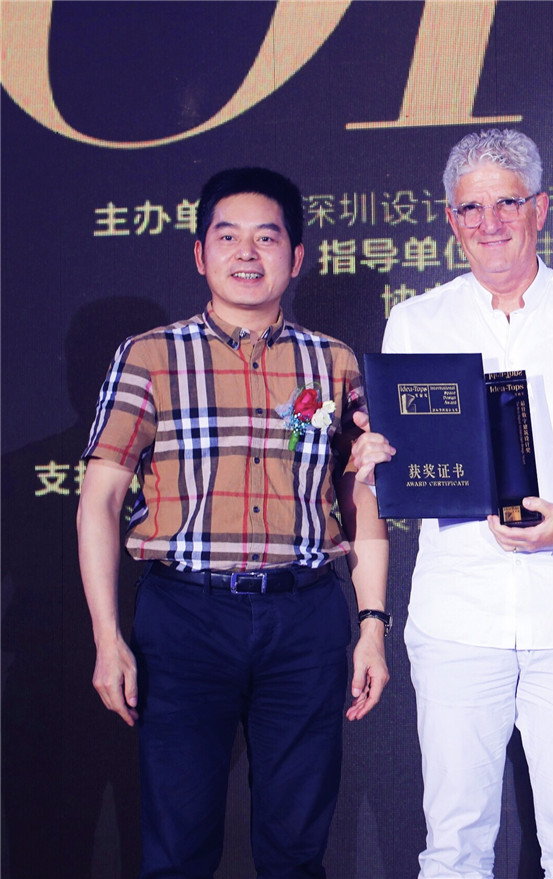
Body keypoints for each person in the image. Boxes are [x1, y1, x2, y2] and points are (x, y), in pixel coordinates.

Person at [351, 129, 553, 878]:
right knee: (453, 847)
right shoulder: (417, 321)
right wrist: (379, 460)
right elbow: (411, 470)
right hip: (458, 616)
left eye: (507, 203)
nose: (490, 223)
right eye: (471, 208)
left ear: (540, 209)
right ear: (451, 220)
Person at [77, 167, 390, 879]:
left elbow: (361, 503)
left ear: (296, 257)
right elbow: (98, 501)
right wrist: (107, 637)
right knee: (177, 848)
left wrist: (371, 626)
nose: (247, 253)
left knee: (296, 849)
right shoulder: (150, 356)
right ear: (200, 253)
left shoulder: (334, 361)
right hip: (185, 617)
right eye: (228, 237)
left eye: (267, 238)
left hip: (305, 615)